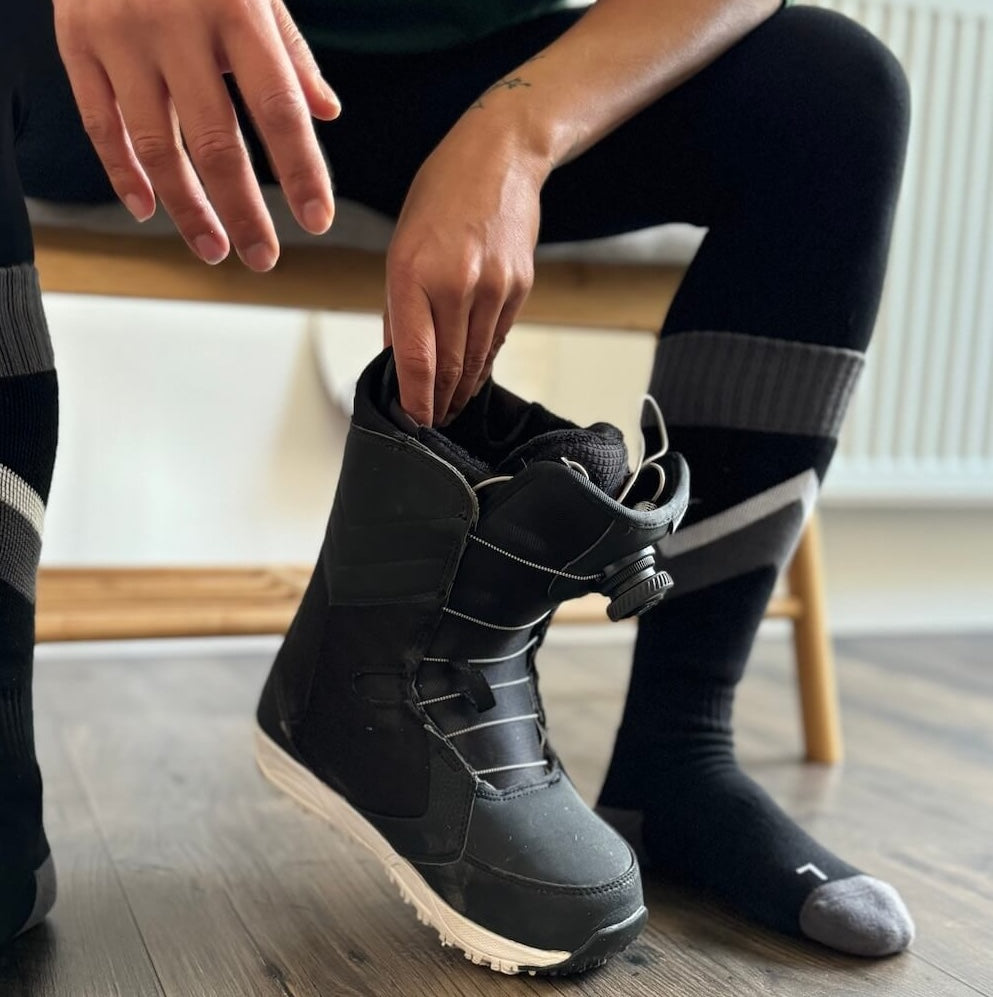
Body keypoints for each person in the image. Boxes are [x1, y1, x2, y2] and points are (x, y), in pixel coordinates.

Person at [1, 0, 913, 969]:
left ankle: (677, 763)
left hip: (467, 78)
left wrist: (518, 133)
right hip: (109, 56)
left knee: (836, 94)